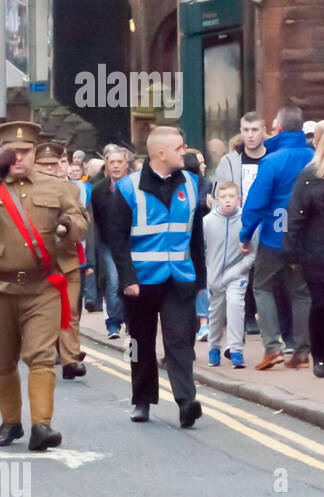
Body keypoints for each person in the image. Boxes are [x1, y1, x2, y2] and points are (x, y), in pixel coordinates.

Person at [0, 121, 86, 449]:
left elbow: (80, 219)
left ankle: (41, 425)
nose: (18, 158)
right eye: (11, 152)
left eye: (25, 152)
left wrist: (68, 228)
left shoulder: (58, 187)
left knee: (41, 356)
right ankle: (10, 423)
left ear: (35, 153)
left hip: (41, 287)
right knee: (2, 359)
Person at [106, 126, 210, 427]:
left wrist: (199, 279)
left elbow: (196, 236)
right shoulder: (128, 188)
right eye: (179, 148)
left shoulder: (192, 184)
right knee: (141, 342)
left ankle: (186, 401)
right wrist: (127, 280)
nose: (185, 151)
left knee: (180, 341)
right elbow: (117, 237)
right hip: (140, 280)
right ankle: (142, 400)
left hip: (179, 278)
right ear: (161, 154)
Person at [241, 107, 314, 369]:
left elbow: (256, 203)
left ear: (279, 129)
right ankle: (302, 352)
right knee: (301, 293)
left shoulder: (272, 160)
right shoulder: (314, 157)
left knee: (262, 286)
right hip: (305, 238)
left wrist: (245, 234)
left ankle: (272, 348)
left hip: (274, 236)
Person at [34, 141, 89, 380]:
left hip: (66, 258)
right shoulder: (25, 190)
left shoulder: (71, 190)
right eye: (42, 164)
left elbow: (81, 221)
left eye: (52, 164)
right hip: (36, 262)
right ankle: (43, 354)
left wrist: (68, 227)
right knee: (42, 314)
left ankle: (70, 359)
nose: (48, 168)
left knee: (70, 310)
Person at [285, 125, 324, 378]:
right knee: (322, 306)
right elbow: (294, 217)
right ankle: (320, 356)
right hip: (319, 255)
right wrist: (291, 252)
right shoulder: (310, 176)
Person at [204, 181, 256, 369]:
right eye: (223, 197)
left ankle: (236, 350)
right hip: (215, 276)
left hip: (238, 275)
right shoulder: (207, 222)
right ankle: (214, 347)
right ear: (217, 200)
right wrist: (207, 275)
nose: (227, 201)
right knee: (216, 314)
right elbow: (201, 250)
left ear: (239, 198)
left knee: (236, 306)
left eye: (231, 197)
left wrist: (235, 272)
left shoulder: (247, 221)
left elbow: (252, 254)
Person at [91, 144, 133, 339]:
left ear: (126, 164)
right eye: (112, 162)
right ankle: (113, 324)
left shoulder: (135, 186)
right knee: (115, 282)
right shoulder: (99, 190)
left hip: (132, 243)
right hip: (109, 244)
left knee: (132, 282)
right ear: (107, 165)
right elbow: (97, 221)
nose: (116, 166)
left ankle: (132, 321)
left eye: (119, 162)